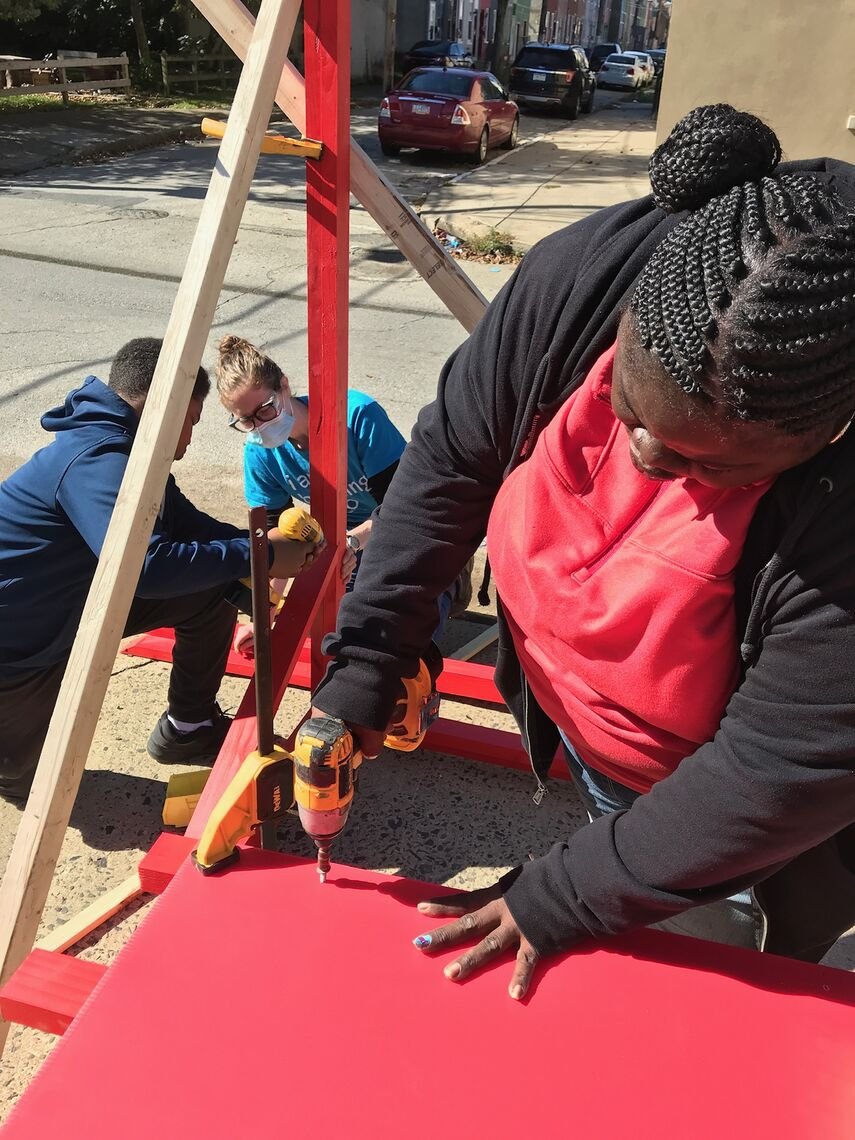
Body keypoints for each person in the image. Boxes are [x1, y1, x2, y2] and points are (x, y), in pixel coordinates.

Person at [311, 104, 855, 999]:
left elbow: (776, 771)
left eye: (698, 461)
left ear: (823, 432)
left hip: (765, 806)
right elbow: (453, 457)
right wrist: (373, 649)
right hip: (616, 750)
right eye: (627, 409)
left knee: (717, 981)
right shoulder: (589, 275)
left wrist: (564, 892)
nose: (642, 456)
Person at [0, 337, 319, 802]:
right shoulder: (97, 460)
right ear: (162, 407)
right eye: (190, 421)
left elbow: (191, 528)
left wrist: (262, 547)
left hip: (74, 605)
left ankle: (188, 727)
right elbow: (147, 567)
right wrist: (263, 556)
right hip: (20, 640)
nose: (189, 441)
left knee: (210, 587)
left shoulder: (129, 451)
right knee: (24, 780)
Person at [215, 336, 471, 653]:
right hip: (349, 541)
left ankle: (449, 585)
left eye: (265, 410)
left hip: (412, 525)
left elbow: (404, 508)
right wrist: (266, 612)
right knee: (347, 632)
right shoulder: (260, 454)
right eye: (246, 420)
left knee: (396, 620)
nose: (259, 426)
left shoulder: (356, 417)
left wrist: (348, 543)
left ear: (283, 386)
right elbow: (277, 541)